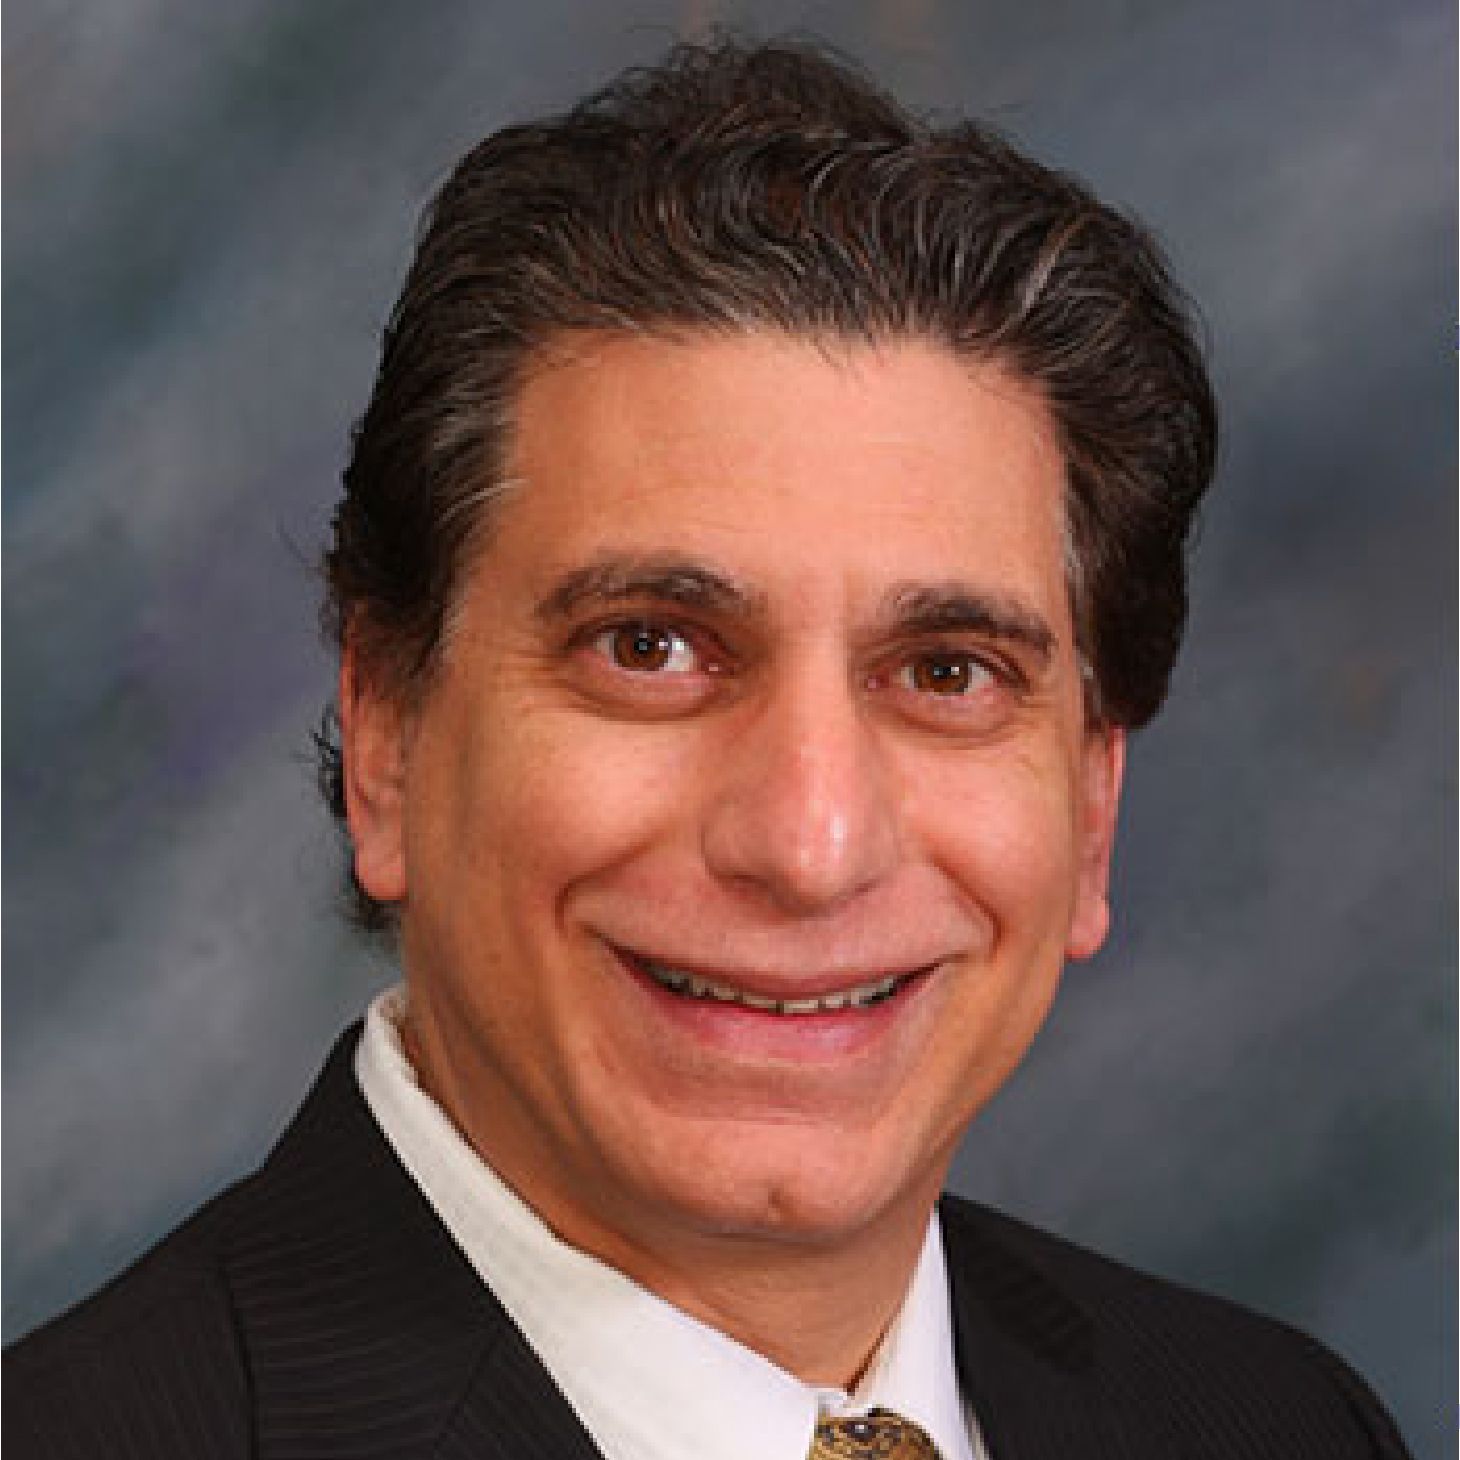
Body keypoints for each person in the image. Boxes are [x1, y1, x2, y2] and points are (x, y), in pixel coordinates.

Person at [4, 37, 1412, 1460]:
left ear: (1092, 809)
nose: (811, 845)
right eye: (651, 647)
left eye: (946, 672)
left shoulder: (1279, 1423)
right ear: (385, 734)